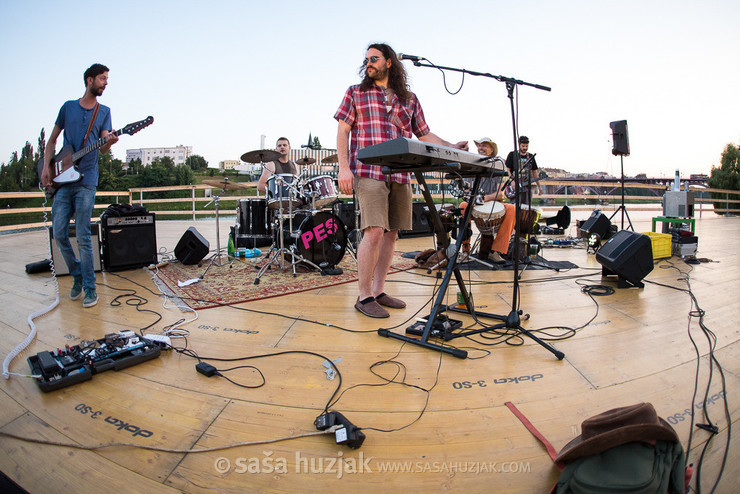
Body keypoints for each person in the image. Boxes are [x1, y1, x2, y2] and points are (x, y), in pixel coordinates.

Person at [335, 42, 468, 318]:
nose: (369, 62)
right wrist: (343, 168)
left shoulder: (409, 98)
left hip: (401, 173)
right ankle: (363, 296)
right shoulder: (356, 93)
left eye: (374, 58)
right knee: (373, 231)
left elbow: (425, 135)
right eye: (367, 59)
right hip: (369, 170)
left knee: (392, 234)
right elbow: (342, 131)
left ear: (389, 62)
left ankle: (379, 290)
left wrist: (452, 147)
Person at [41, 63, 118, 308]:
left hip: (87, 180)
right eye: (102, 79)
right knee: (60, 233)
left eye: (107, 79)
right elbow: (52, 141)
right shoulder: (68, 108)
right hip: (62, 181)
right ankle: (76, 275)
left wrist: (110, 141)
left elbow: (104, 147)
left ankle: (90, 288)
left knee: (84, 234)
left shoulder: (104, 111)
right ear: (89, 80)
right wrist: (46, 168)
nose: (106, 83)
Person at [465, 138, 516, 263]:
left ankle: (496, 251)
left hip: (492, 202)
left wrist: (484, 198)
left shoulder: (498, 164)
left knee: (512, 209)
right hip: (474, 203)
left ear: (492, 149)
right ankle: (465, 250)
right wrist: (468, 195)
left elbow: (500, 194)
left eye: (484, 146)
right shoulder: (471, 163)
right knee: (462, 206)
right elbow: (465, 189)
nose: (480, 148)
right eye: (479, 145)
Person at [504, 135, 542, 205]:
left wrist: (539, 187)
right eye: (523, 146)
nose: (525, 148)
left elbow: (535, 172)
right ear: (519, 145)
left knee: (527, 207)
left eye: (526, 146)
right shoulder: (512, 154)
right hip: (515, 185)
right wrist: (512, 182)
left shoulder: (530, 156)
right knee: (515, 207)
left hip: (526, 186)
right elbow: (508, 170)